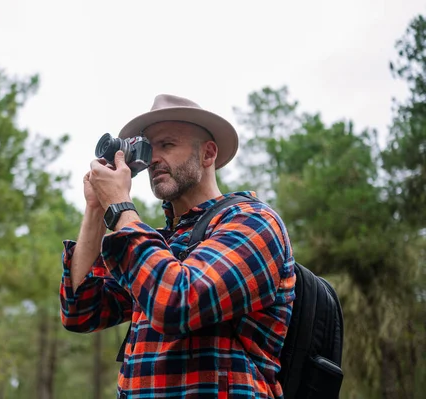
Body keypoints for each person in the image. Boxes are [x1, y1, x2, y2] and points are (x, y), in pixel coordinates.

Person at [59, 94, 296, 399]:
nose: (154, 158)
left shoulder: (254, 222)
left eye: (167, 145)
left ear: (208, 154)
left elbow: (177, 302)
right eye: (149, 147)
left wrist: (119, 206)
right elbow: (81, 311)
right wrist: (96, 207)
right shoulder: (157, 245)